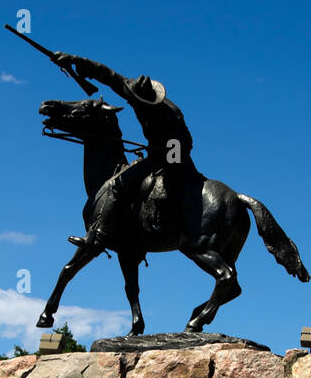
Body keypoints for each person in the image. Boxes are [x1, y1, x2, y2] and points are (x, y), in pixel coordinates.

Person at [51, 51, 203, 245]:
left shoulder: (170, 114)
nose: (132, 102)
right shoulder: (135, 92)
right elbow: (109, 75)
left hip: (173, 159)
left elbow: (184, 142)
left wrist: (165, 157)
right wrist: (74, 60)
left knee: (115, 185)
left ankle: (99, 234)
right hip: (157, 155)